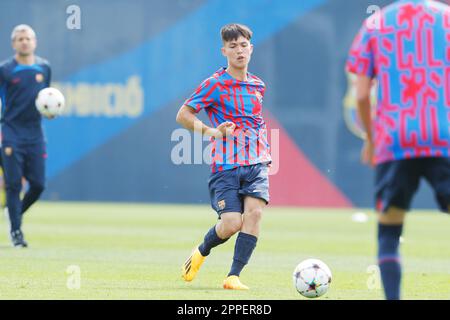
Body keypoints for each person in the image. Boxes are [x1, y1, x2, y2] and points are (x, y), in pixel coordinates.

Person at [346, 0, 450, 300]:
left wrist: (370, 137)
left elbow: (363, 93)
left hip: (395, 139)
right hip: (443, 136)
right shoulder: (446, 20)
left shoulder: (376, 24)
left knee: (390, 229)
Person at [176, 23, 271, 290]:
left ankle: (233, 276)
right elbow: (183, 114)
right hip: (226, 166)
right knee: (231, 224)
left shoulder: (258, 85)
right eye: (233, 47)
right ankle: (201, 250)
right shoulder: (214, 84)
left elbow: (253, 120)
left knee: (254, 215)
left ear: (251, 49)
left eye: (243, 46)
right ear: (224, 51)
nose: (239, 51)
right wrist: (211, 132)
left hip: (256, 162)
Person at [0, 24, 52, 247]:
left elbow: (45, 99)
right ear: (13, 44)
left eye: (28, 38)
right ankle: (16, 232)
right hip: (10, 132)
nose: (24, 42)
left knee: (38, 185)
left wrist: (50, 111)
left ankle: (14, 213)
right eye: (20, 39)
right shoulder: (5, 70)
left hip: (35, 134)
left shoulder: (44, 68)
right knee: (13, 185)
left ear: (35, 42)